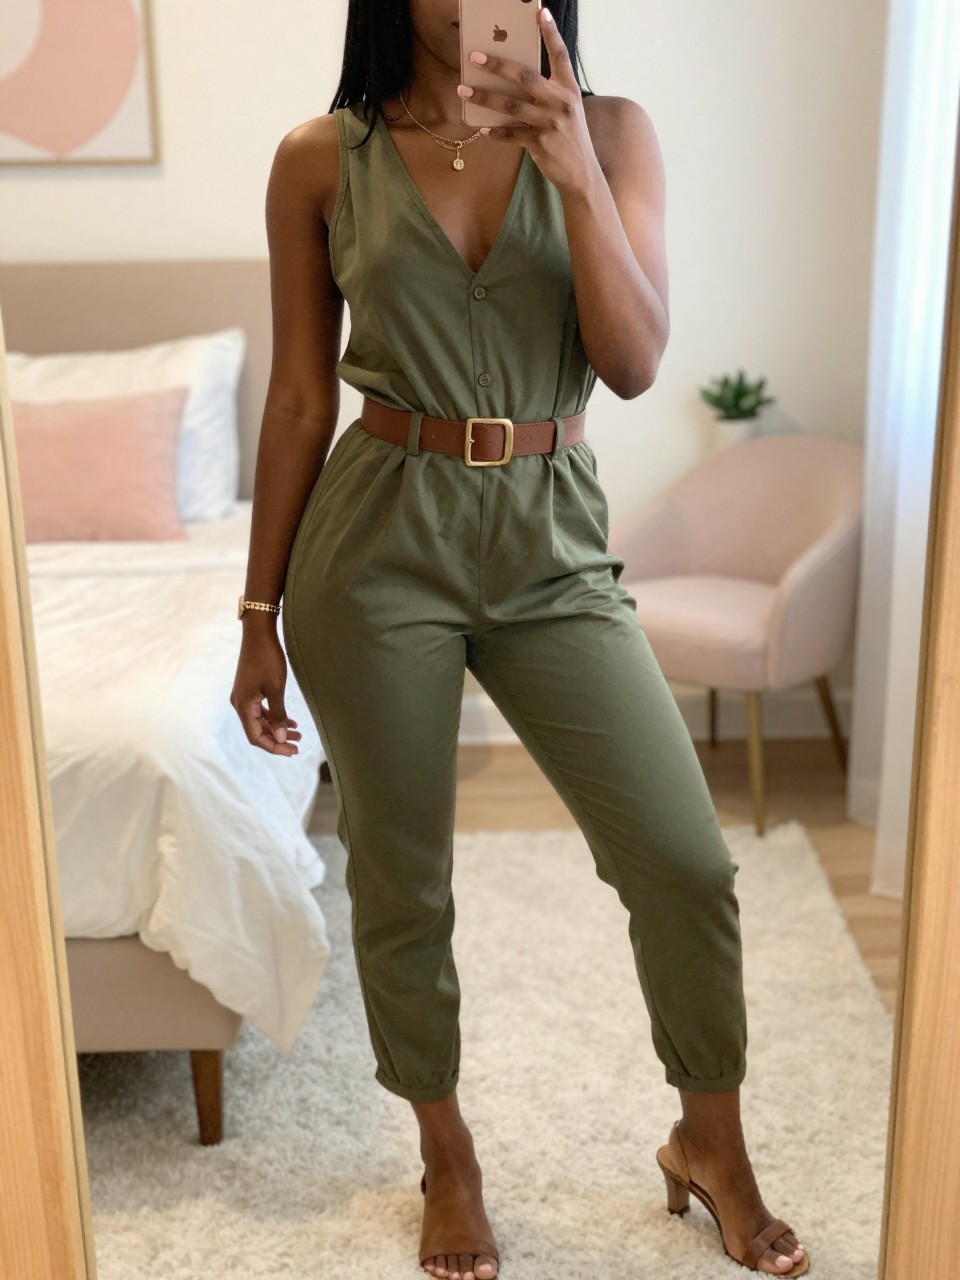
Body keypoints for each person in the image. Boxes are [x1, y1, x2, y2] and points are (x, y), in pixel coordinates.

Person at [230, 3, 810, 1278]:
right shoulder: (323, 157)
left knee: (682, 858)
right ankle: (446, 1152)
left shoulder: (613, 133)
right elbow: (296, 393)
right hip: (378, 535)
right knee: (403, 873)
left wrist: (574, 172)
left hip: (553, 537)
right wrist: (256, 613)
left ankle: (710, 1136)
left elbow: (638, 357)